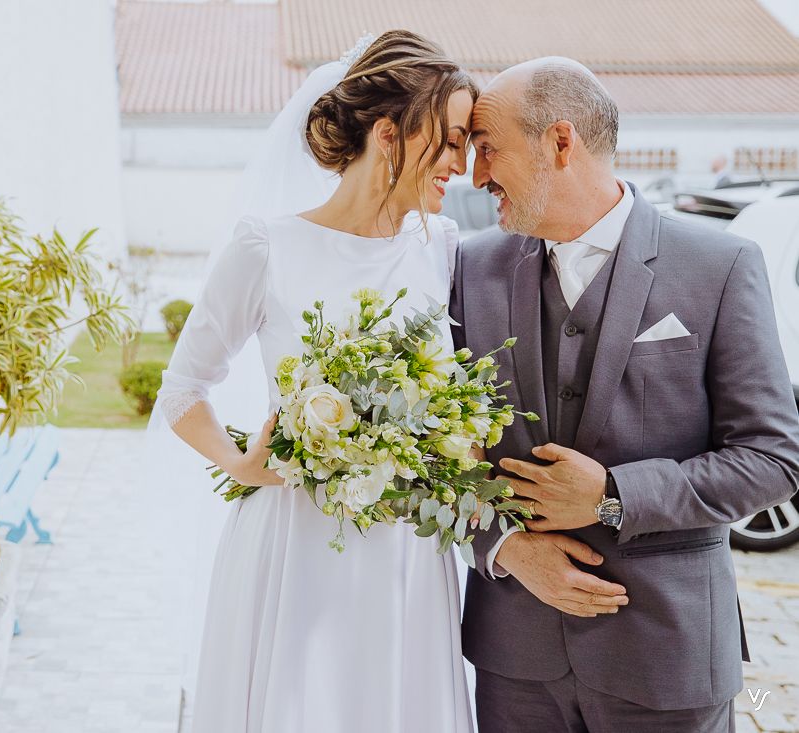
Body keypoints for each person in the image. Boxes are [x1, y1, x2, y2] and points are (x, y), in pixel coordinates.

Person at [452, 57, 799, 732]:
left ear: (560, 142)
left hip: (667, 653)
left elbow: (773, 458)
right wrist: (504, 546)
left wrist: (614, 494)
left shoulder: (720, 266)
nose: (476, 175)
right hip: (514, 659)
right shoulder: (470, 269)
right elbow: (436, 452)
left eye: (488, 149)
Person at [154, 30, 477, 733]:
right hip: (295, 545)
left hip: (405, 555)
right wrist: (244, 463)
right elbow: (182, 390)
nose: (462, 162)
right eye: (449, 140)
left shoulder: (443, 249)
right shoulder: (266, 245)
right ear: (389, 133)